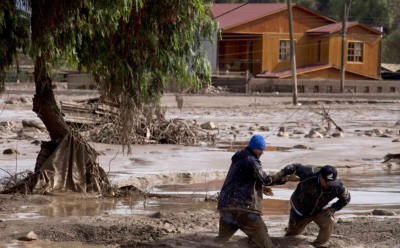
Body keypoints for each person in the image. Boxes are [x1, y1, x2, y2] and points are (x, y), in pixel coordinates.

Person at [215, 134, 285, 248]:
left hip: (226, 207)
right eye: (260, 149)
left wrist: (260, 188)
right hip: (244, 209)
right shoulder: (251, 160)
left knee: (220, 242)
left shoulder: (239, 159)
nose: (262, 152)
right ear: (253, 147)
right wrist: (284, 178)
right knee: (266, 243)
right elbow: (266, 179)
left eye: (263, 149)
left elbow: (239, 181)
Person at [276, 163, 351, 248]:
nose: (328, 185)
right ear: (320, 176)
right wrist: (280, 174)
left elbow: (346, 198)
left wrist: (333, 208)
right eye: (326, 182)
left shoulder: (338, 187)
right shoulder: (309, 173)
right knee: (291, 235)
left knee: (329, 221)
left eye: (331, 182)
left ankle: (318, 244)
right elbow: (294, 166)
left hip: (318, 210)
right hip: (299, 210)